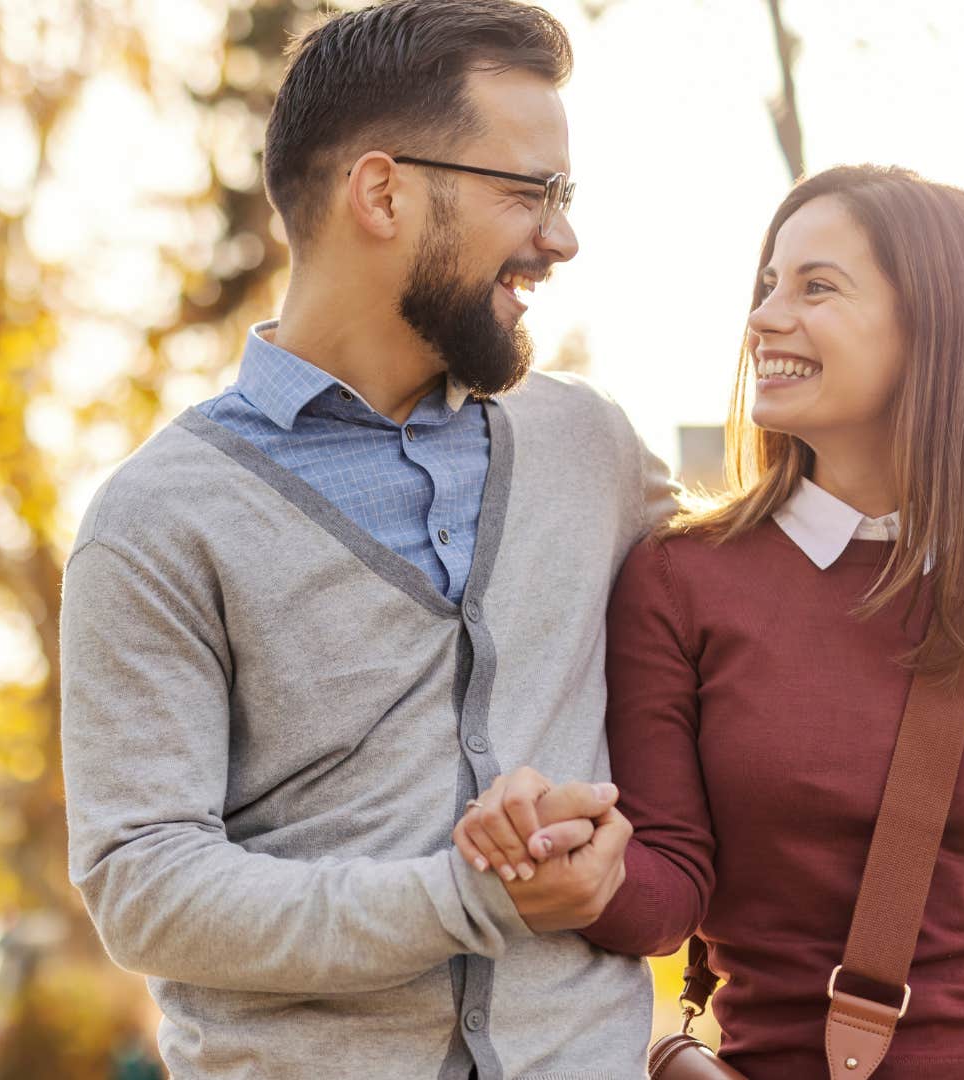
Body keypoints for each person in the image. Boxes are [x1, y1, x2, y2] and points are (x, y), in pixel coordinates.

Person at [58, 2, 678, 1076]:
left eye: (563, 196)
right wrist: (459, 897)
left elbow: (769, 616)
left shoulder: (592, 448)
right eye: (528, 192)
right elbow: (144, 885)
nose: (562, 237)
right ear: (383, 192)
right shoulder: (158, 520)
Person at [454, 165, 964, 1079]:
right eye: (766, 286)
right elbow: (669, 896)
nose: (762, 317)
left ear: (936, 326)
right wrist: (568, 859)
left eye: (816, 286)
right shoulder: (681, 580)